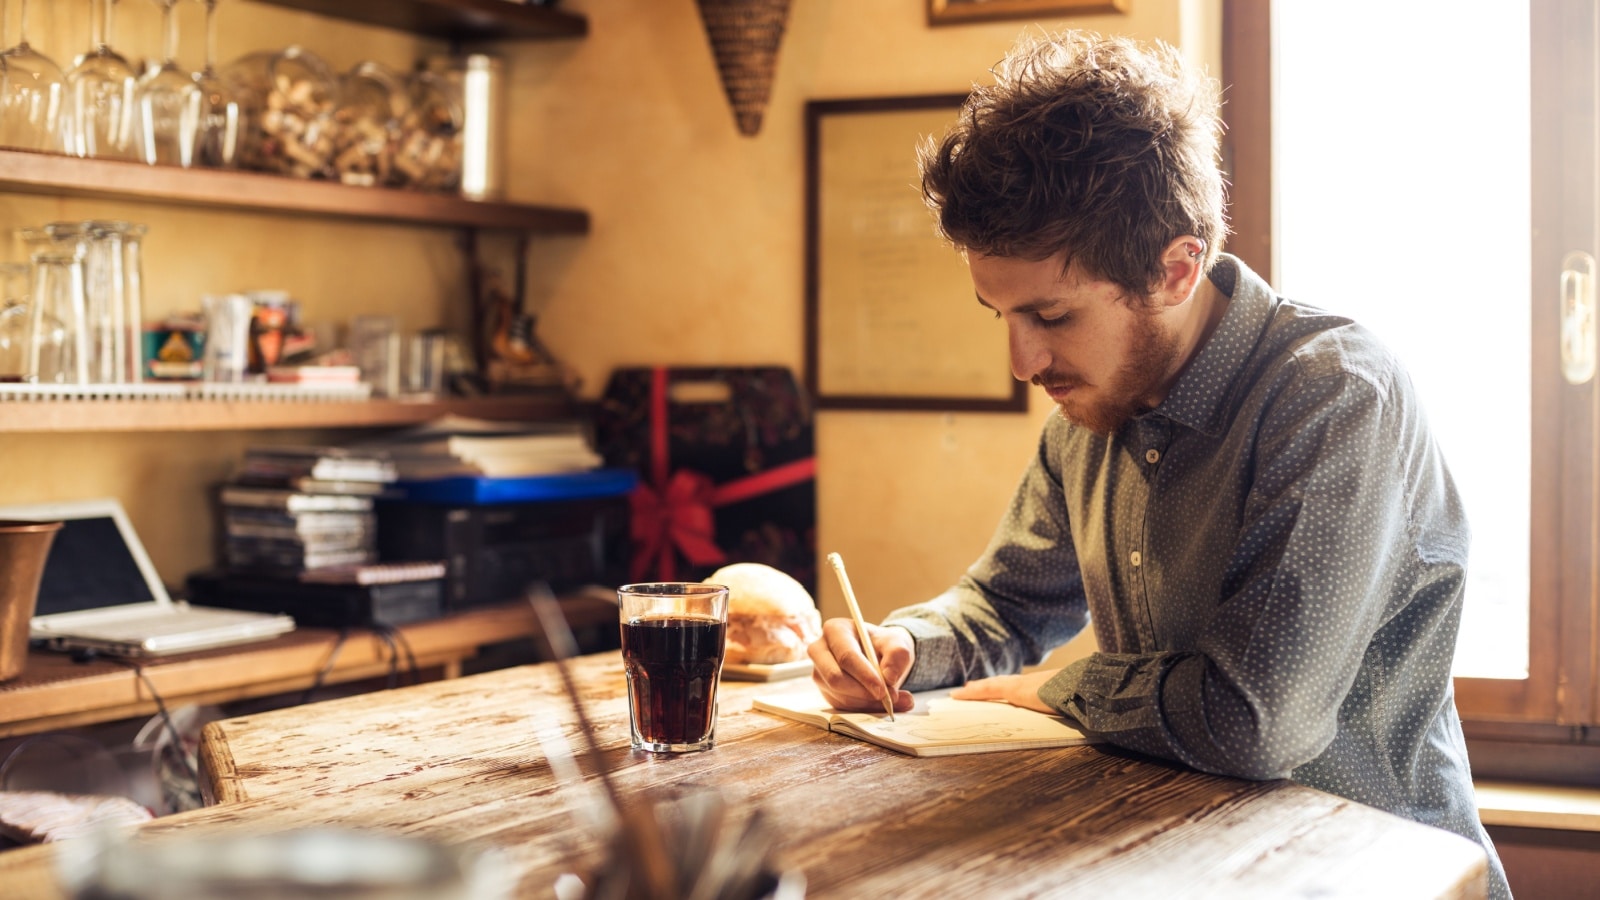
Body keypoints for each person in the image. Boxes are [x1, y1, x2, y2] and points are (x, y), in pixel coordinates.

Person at [806, 29, 1510, 899]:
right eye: (1000, 316)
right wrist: (904, 646)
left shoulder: (1334, 397)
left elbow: (1256, 721)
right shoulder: (1087, 414)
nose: (1023, 363)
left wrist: (1064, 690)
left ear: (1178, 268)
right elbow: (1006, 606)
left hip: (1375, 879)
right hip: (1188, 870)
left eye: (1051, 317)